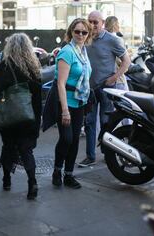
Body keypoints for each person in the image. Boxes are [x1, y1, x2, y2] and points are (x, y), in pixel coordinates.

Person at [0, 33, 42, 200]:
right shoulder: (32, 67)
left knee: (8, 147)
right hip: (28, 118)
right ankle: (32, 183)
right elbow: (37, 97)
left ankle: (6, 180)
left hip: (8, 118)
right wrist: (36, 122)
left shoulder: (4, 66)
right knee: (26, 150)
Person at [79, 11, 130, 167]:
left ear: (102, 23)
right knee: (89, 123)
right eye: (90, 21)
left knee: (106, 123)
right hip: (89, 89)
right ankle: (90, 156)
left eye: (96, 22)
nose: (93, 25)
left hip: (107, 88)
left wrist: (114, 77)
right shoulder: (84, 38)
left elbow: (126, 61)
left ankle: (108, 155)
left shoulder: (112, 40)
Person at [51, 18, 93, 189]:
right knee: (66, 138)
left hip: (80, 102)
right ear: (71, 33)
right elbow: (60, 83)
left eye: (84, 32)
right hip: (65, 102)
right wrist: (65, 110)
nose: (81, 35)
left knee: (75, 139)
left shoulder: (83, 51)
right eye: (77, 31)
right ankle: (57, 170)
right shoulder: (67, 52)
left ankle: (69, 174)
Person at [105, 16, 129, 92]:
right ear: (114, 25)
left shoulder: (102, 38)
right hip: (118, 80)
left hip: (104, 79)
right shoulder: (117, 40)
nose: (119, 26)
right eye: (118, 23)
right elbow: (124, 62)